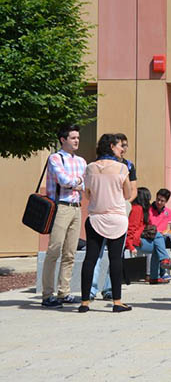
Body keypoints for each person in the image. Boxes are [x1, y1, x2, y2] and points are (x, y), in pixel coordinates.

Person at [78, 134, 133, 313]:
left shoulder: (89, 168)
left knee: (90, 259)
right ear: (111, 146)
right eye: (119, 146)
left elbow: (87, 194)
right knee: (115, 259)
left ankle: (85, 302)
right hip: (117, 218)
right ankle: (117, 302)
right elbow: (127, 194)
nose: (122, 149)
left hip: (95, 218)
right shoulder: (122, 168)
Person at [41, 124, 87, 308]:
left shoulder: (82, 161)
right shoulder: (55, 158)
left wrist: (78, 183)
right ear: (63, 139)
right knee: (54, 250)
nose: (77, 140)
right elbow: (65, 181)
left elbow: (86, 183)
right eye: (73, 137)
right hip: (60, 207)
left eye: (77, 137)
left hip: (76, 207)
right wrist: (79, 182)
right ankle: (47, 294)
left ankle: (64, 292)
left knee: (70, 252)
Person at [125, 187, 171, 284]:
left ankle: (155, 275)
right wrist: (130, 245)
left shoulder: (141, 209)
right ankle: (163, 262)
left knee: (157, 245)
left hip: (139, 238)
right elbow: (131, 229)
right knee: (158, 238)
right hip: (135, 241)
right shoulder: (137, 209)